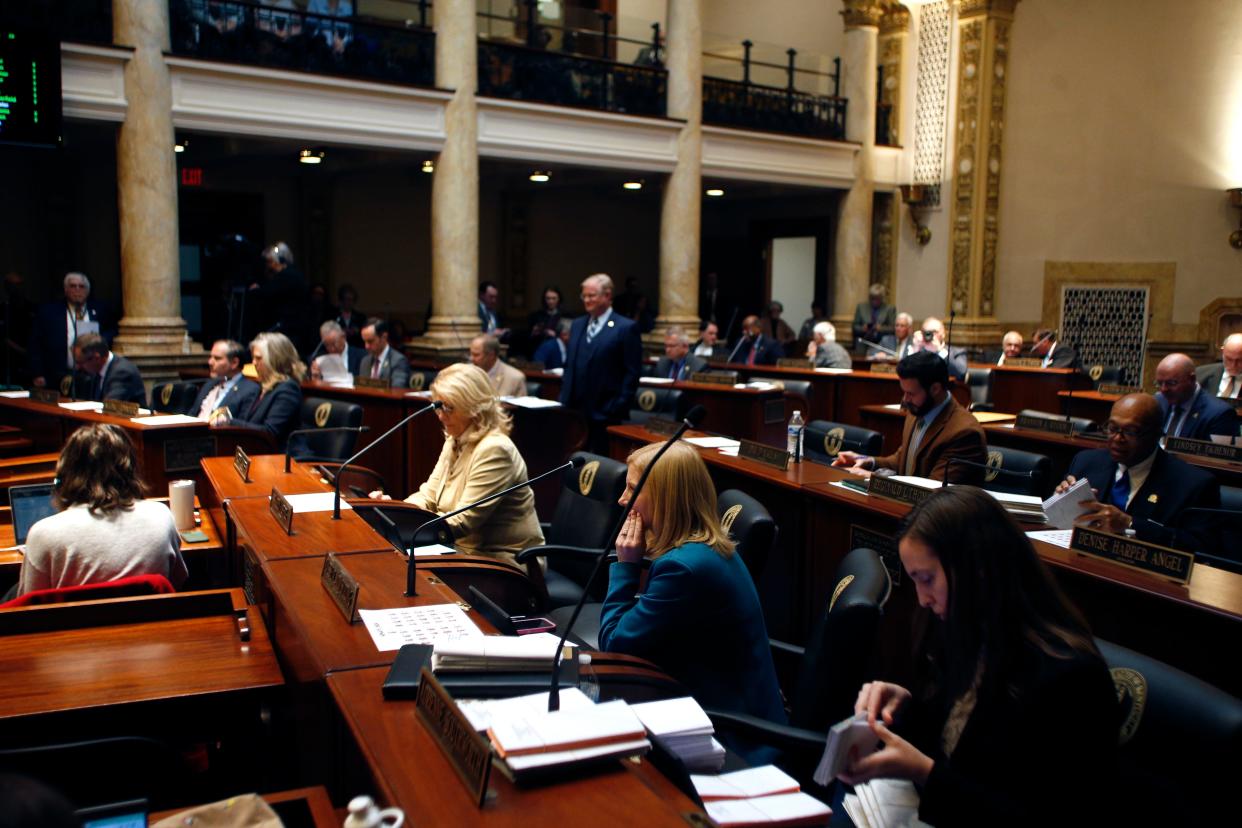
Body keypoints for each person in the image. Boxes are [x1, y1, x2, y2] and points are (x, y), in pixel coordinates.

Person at [838, 487, 1116, 827]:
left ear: (979, 570)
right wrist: (905, 707)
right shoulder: (966, 631)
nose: (922, 599)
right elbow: (952, 744)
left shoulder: (1070, 677)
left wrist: (924, 773)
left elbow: (1041, 814)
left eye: (927, 579)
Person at [598, 441, 786, 764]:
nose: (622, 499)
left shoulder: (684, 568)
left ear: (664, 497)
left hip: (732, 740)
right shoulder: (704, 547)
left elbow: (613, 644)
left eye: (632, 489)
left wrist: (626, 566)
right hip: (717, 709)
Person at [369, 363, 544, 565]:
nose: (441, 416)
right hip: (460, 551)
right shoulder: (456, 438)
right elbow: (428, 496)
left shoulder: (495, 449)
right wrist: (393, 511)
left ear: (475, 408)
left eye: (448, 408)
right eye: (437, 406)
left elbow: (462, 520)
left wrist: (402, 524)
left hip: (504, 561)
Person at [16, 424, 187, 596]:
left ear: (65, 476)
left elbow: (28, 610)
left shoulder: (43, 534)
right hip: (150, 621)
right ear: (131, 472)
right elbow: (177, 583)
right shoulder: (161, 516)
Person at [1054, 393, 1220, 552]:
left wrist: (1130, 524)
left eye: (1130, 431)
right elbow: (1056, 524)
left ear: (1156, 434)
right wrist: (1061, 502)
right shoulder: (1086, 462)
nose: (1118, 438)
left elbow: (1201, 547)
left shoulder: (1194, 484)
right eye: (1112, 428)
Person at [833, 351, 985, 481]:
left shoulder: (964, 433)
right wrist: (867, 461)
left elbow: (936, 492)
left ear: (935, 389)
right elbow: (904, 460)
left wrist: (873, 478)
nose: (905, 400)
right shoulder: (917, 412)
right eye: (904, 392)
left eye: (911, 393)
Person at [559, 273, 642, 453]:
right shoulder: (578, 324)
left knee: (600, 467)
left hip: (605, 413)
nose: (586, 300)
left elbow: (632, 372)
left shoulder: (625, 327)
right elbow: (570, 365)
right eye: (584, 296)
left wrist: (617, 407)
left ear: (607, 295)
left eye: (592, 295)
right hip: (575, 412)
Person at [214, 331, 304, 450]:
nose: (253, 363)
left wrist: (229, 422)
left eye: (258, 358)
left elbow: (269, 433)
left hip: (284, 460)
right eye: (253, 358)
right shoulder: (263, 387)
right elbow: (247, 423)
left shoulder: (287, 389)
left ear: (274, 359)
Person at [28, 272, 116, 389]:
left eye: (81, 286)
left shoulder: (101, 310)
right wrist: (37, 373)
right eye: (73, 286)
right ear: (65, 290)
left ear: (88, 290)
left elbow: (112, 332)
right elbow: (36, 344)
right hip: (58, 373)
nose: (77, 290)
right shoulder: (49, 312)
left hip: (93, 373)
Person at [1154, 353, 1238, 440]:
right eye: (1159, 383)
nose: (1163, 389)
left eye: (1171, 383)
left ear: (1192, 379)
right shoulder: (1158, 402)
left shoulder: (1220, 415)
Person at [190, 339, 260, 419]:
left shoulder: (249, 389)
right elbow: (192, 413)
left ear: (234, 363)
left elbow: (242, 425)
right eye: (211, 357)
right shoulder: (210, 384)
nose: (210, 362)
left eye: (217, 358)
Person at [70, 332, 146, 405]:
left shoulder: (122, 372)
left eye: (80, 362)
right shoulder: (95, 371)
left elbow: (110, 406)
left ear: (96, 358)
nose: (77, 367)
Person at [358, 318, 412, 388]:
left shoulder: (398, 361)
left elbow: (397, 390)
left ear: (384, 337)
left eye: (370, 341)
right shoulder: (365, 361)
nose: (366, 346)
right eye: (364, 342)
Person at [912, 316, 967, 380]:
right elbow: (903, 373)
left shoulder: (957, 352)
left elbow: (961, 373)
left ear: (943, 334)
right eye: (926, 332)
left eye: (934, 332)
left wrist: (940, 350)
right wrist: (915, 349)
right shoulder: (917, 351)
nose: (930, 335)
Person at [1197, 332, 1242, 400]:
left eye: (1239, 360)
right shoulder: (1200, 374)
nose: (1233, 365)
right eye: (1229, 359)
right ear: (1222, 351)